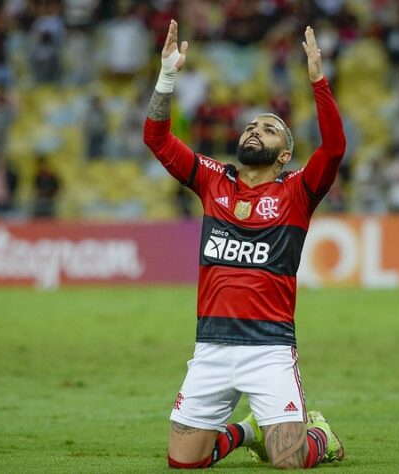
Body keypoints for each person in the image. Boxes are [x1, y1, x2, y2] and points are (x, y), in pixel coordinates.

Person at [143, 20, 346, 469]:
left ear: (284, 155)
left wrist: (318, 80)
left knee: (289, 461)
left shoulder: (297, 192)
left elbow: (333, 149)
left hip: (269, 348)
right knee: (184, 464)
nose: (255, 130)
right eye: (252, 125)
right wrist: (167, 75)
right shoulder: (213, 180)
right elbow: (155, 139)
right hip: (211, 347)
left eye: (269, 129)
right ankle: (247, 430)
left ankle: (322, 436)